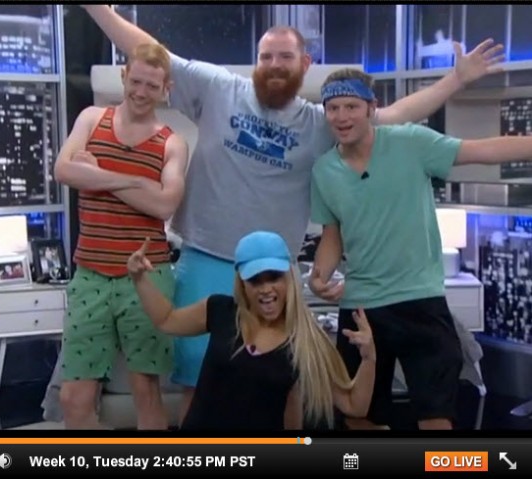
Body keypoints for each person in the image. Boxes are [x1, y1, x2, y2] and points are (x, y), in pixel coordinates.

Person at [82, 4, 504, 422]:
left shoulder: (321, 123)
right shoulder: (218, 89)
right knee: (200, 380)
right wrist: (96, 9)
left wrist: (456, 79)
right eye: (266, 56)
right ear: (256, 62)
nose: (275, 64)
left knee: (287, 380)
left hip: (275, 274)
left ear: (305, 64)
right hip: (206, 257)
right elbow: (150, 54)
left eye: (285, 56)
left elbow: (392, 116)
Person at [308, 67, 532, 430]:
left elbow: (481, 150)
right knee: (358, 417)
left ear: (371, 108)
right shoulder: (323, 171)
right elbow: (332, 235)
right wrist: (320, 277)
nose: (341, 116)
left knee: (436, 418)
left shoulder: (409, 143)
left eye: (351, 106)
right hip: (362, 306)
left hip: (419, 301)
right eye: (333, 108)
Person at [52, 42, 189, 429]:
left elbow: (165, 206)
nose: (142, 92)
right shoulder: (92, 119)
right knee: (73, 397)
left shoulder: (172, 143)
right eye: (137, 81)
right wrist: (136, 181)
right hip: (90, 273)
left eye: (152, 86)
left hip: (147, 276)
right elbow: (63, 171)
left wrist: (96, 176)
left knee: (146, 391)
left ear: (166, 89)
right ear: (124, 77)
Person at [127, 231, 376, 430]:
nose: (266, 288)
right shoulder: (221, 311)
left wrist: (369, 359)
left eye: (274, 277)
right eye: (255, 280)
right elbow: (166, 320)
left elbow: (354, 405)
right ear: (242, 284)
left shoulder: (306, 339)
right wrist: (139, 279)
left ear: (289, 278)